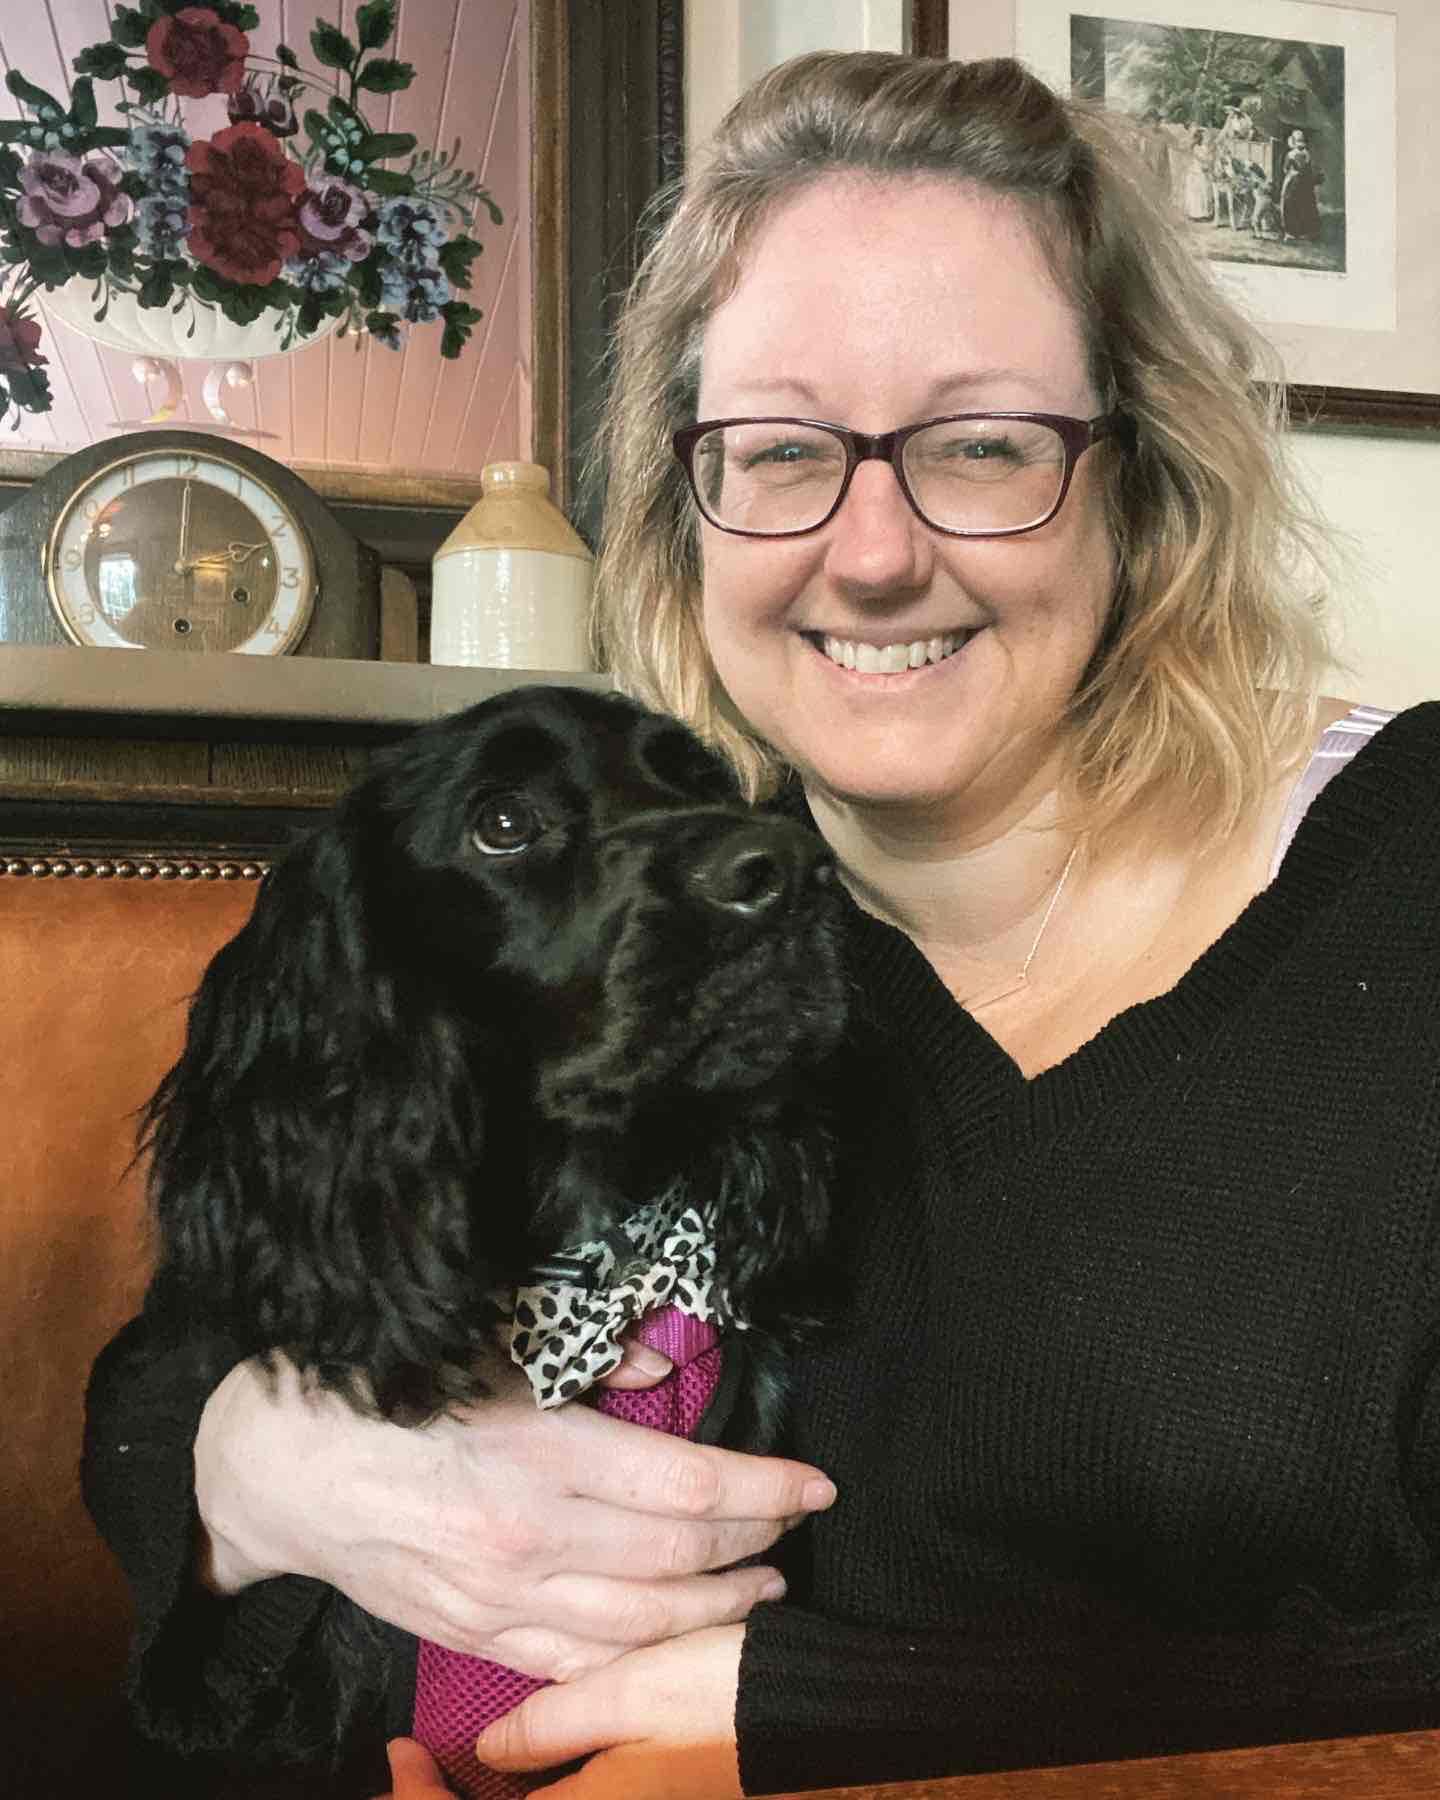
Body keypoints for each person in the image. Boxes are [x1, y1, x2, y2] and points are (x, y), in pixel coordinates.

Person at [83, 49, 1440, 1800]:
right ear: (686, 505)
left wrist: (825, 1714)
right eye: (783, 451)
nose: (870, 555)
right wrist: (263, 1469)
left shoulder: (1409, 875)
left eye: (983, 444)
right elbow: (183, 1347)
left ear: (1143, 476)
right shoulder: (664, 929)